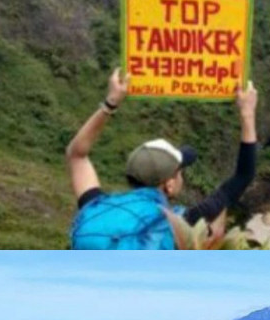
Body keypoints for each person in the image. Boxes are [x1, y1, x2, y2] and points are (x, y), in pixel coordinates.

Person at [67, 68, 258, 249]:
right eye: (180, 172)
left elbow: (76, 155)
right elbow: (244, 175)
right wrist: (247, 114)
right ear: (169, 184)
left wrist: (111, 103)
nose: (182, 177)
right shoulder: (181, 225)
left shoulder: (96, 207)